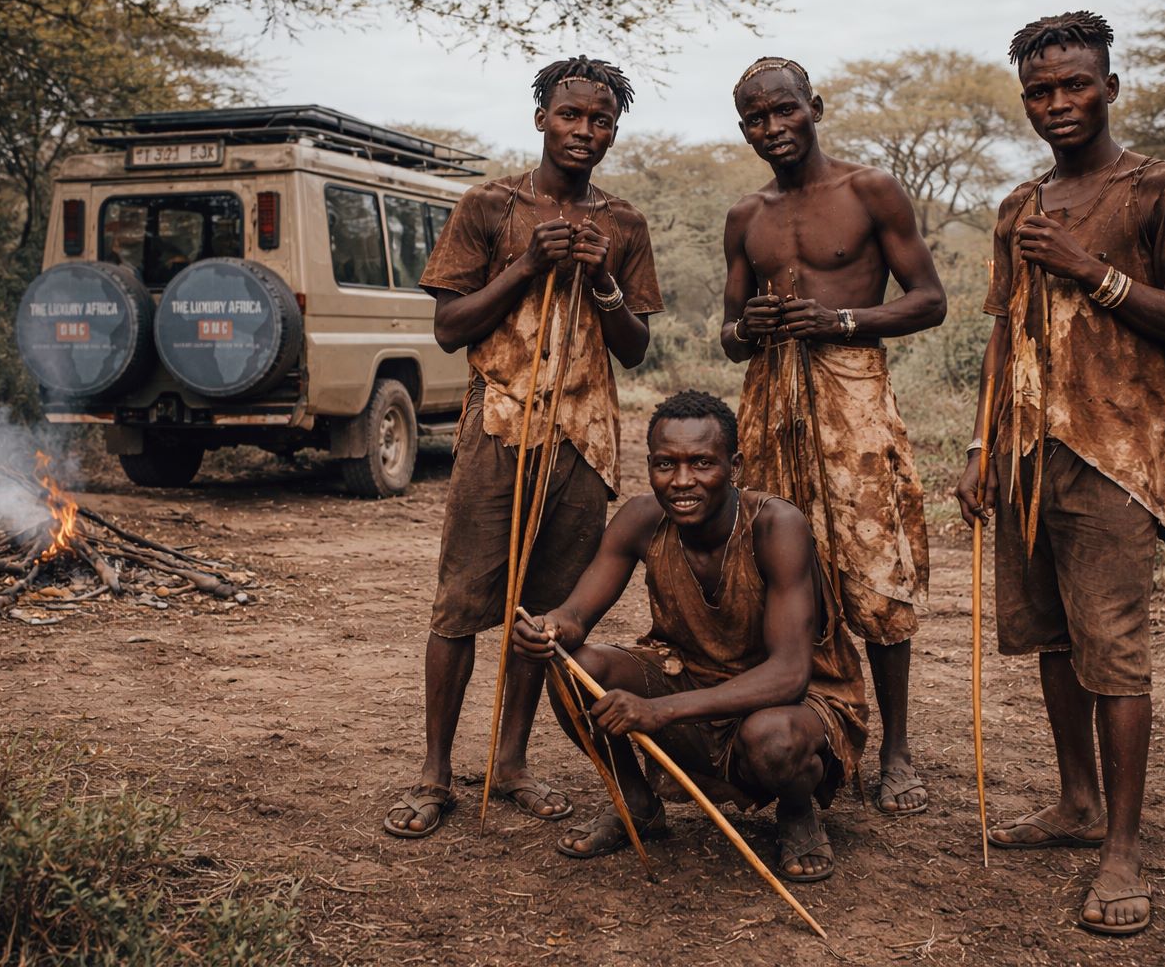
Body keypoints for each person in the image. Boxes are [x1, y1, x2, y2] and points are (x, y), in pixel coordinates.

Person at [955, 12, 1165, 936]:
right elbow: (1001, 331)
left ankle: (1120, 851)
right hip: (1028, 459)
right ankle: (1074, 804)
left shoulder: (1161, 191)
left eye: (1075, 85)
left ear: (1111, 86)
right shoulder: (1018, 208)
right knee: (1055, 640)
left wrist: (1094, 274)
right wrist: (980, 447)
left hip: (1117, 458)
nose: (1058, 103)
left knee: (1113, 652)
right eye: (1040, 90)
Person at [383, 56, 662, 838]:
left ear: (613, 131)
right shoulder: (491, 206)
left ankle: (510, 763)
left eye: (601, 120)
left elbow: (636, 349)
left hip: (583, 437)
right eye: (571, 115)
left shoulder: (624, 223)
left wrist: (601, 280)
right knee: (460, 605)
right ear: (542, 117)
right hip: (500, 423)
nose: (585, 131)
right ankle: (435, 774)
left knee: (544, 616)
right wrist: (530, 264)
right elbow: (449, 329)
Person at [513, 390, 869, 882]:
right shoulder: (641, 519)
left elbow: (789, 674)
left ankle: (796, 809)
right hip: (692, 681)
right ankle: (637, 805)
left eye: (702, 463)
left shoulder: (777, 526)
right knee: (576, 667)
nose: (682, 481)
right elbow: (576, 614)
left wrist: (660, 711)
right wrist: (548, 627)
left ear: (735, 464)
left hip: (793, 705)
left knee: (772, 739)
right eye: (665, 464)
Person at [720, 56, 946, 816]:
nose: (772, 128)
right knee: (785, 575)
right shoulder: (746, 216)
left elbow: (929, 301)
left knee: (875, 576)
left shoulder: (868, 190)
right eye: (755, 118)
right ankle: (810, 737)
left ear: (813, 106)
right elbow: (728, 333)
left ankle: (897, 750)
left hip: (855, 404)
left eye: (784, 111)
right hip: (769, 403)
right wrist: (745, 326)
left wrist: (842, 320)